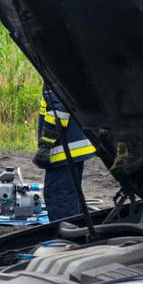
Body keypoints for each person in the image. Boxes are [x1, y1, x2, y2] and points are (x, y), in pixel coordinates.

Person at [33, 83, 96, 222]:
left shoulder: (53, 73)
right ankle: (77, 234)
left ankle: (65, 239)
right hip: (75, 146)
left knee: (59, 198)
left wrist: (46, 145)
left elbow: (58, 112)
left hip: (63, 149)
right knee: (72, 196)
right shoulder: (68, 69)